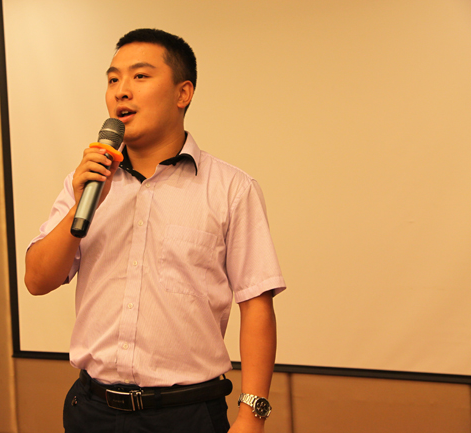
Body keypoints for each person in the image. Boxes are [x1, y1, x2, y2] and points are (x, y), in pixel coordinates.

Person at [25, 28, 286, 433]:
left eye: (140, 76)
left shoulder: (231, 189)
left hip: (187, 415)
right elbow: (37, 280)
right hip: (92, 410)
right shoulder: (86, 183)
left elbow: (256, 305)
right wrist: (82, 203)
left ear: (183, 93)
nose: (121, 91)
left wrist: (252, 416)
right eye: (113, 79)